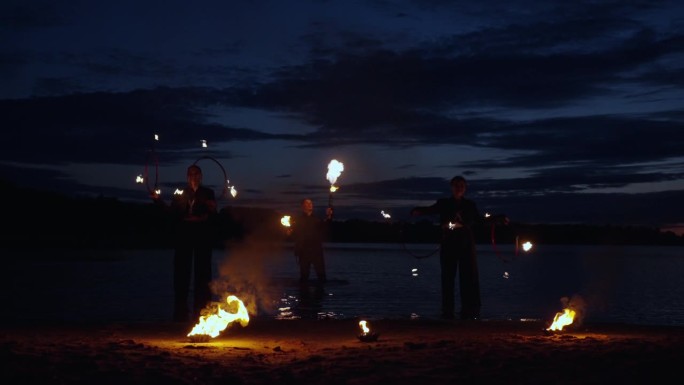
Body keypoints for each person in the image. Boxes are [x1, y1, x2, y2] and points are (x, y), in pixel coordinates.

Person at [411, 176, 508, 320]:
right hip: (449, 244)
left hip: (466, 245)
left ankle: (469, 311)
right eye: (456, 185)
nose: (459, 188)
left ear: (465, 188)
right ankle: (447, 312)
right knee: (448, 278)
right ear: (451, 187)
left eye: (462, 185)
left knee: (468, 278)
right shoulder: (444, 203)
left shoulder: (470, 205)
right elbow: (430, 210)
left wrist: (499, 218)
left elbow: (480, 220)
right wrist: (417, 211)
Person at [153, 164, 217, 322]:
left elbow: (213, 216)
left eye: (196, 174)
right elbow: (171, 213)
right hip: (184, 236)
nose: (193, 177)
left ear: (201, 176)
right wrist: (158, 201)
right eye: (190, 174)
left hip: (202, 237)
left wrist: (212, 210)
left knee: (203, 274)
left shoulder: (208, 193)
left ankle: (202, 312)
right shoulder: (180, 193)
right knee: (181, 273)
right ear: (187, 176)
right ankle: (180, 313)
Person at [288, 198, 333, 286]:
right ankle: (303, 297)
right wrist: (289, 233)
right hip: (303, 251)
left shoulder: (317, 220)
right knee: (304, 276)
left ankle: (320, 297)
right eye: (307, 203)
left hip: (316, 251)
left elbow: (327, 225)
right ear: (302, 206)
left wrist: (329, 216)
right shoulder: (297, 221)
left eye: (311, 203)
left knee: (321, 276)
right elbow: (293, 235)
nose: (310, 205)